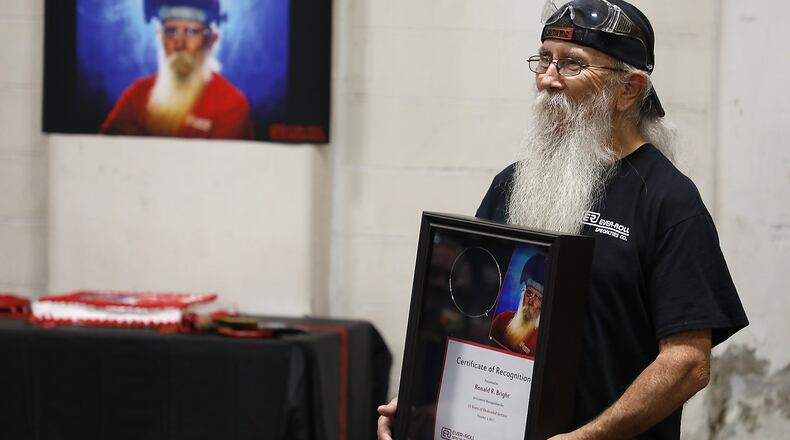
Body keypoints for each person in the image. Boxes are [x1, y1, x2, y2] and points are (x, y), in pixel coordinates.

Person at [377, 1, 748, 439]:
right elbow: (470, 314)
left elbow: (687, 364)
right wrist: (426, 401)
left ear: (629, 89)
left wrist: (587, 438)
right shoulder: (511, 183)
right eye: (545, 59)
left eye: (573, 64)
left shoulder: (669, 201)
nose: (548, 79)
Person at [100, 0, 254, 139]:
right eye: (171, 31)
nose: (179, 44)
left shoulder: (230, 104)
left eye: (192, 32)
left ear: (211, 41)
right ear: (160, 37)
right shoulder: (138, 96)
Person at [490, 254, 546, 356]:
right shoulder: (503, 319)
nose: (530, 301)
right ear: (523, 293)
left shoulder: (542, 341)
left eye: (538, 298)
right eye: (529, 293)